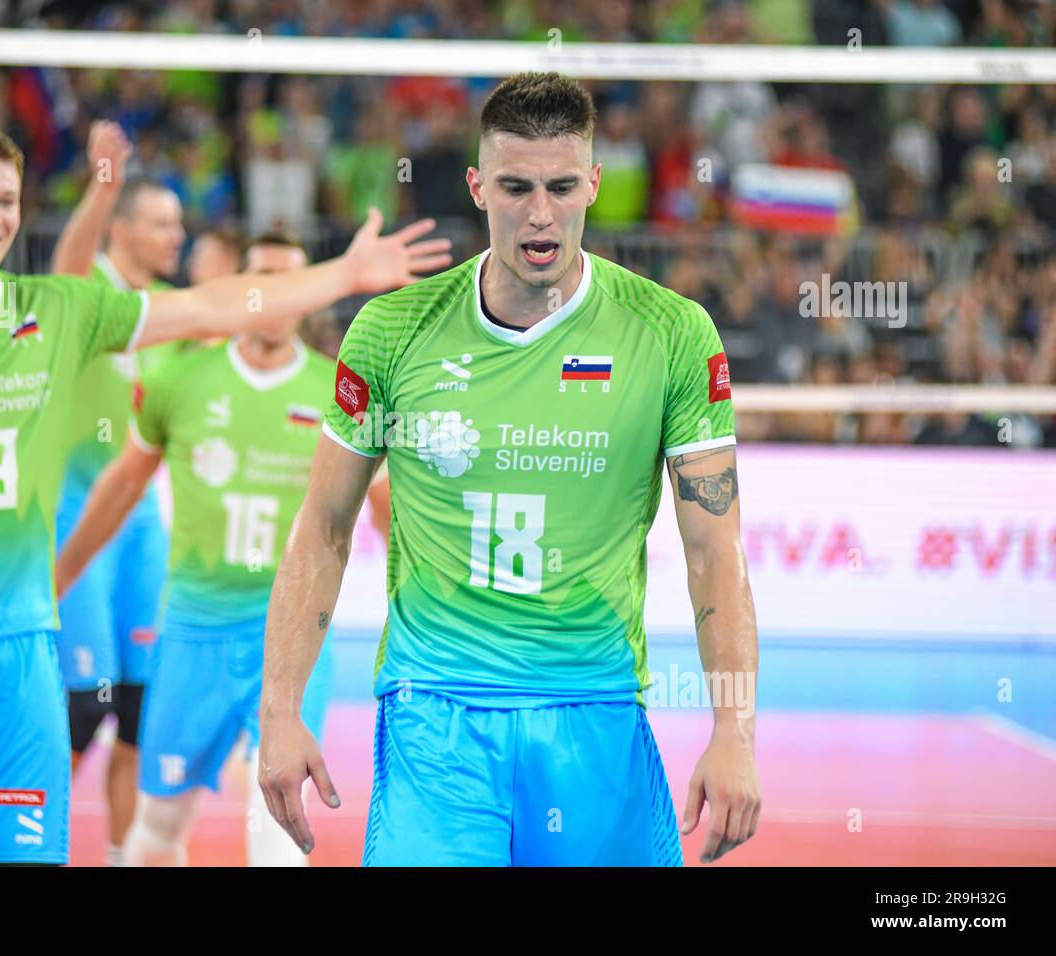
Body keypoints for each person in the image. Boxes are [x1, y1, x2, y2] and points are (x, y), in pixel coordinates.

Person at [0, 124, 450, 867]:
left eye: (5, 201)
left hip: (19, 659)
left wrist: (345, 274)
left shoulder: (60, 310)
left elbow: (214, 305)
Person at [258, 72, 761, 866]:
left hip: (593, 710)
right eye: (515, 187)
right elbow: (323, 526)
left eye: (562, 187)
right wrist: (280, 713)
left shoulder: (670, 333)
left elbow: (714, 550)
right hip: (435, 717)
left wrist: (734, 731)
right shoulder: (393, 330)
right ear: (477, 187)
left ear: (594, 184)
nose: (540, 213)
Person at [57, 232, 361, 866]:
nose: (277, 296)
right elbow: (121, 489)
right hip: (194, 632)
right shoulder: (179, 378)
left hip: (292, 635)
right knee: (159, 827)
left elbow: (383, 508)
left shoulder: (339, 392)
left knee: (278, 832)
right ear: (242, 288)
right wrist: (55, 580)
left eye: (291, 281)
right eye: (264, 279)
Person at [47, 122, 241, 867]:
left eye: (180, 224)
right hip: (77, 519)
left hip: (142, 528)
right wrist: (102, 185)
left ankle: (124, 857)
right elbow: (67, 265)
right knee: (82, 709)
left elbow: (236, 329)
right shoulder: (88, 291)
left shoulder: (172, 308)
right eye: (162, 223)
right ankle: (18, 847)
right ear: (122, 229)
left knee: (136, 712)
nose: (176, 235)